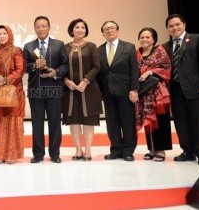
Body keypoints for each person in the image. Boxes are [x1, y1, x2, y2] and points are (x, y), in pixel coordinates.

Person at [162, 14, 199, 165]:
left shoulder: (198, 39)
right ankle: (188, 151)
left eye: (177, 24)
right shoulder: (165, 46)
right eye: (171, 26)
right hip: (175, 90)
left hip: (197, 89)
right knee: (181, 122)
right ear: (167, 29)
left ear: (184, 24)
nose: (175, 28)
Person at [23, 16, 68, 163]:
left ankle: (55, 154)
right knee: (37, 124)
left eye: (44, 26)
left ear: (49, 27)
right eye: (38, 26)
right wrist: (34, 65)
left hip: (54, 89)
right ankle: (38, 154)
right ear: (34, 28)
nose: (41, 29)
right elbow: (23, 67)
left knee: (55, 123)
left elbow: (65, 65)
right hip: (35, 91)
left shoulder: (59, 44)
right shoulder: (29, 46)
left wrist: (56, 72)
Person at [97, 20, 139, 161]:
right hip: (107, 92)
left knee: (127, 122)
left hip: (125, 91)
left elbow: (134, 70)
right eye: (106, 29)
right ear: (103, 33)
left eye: (112, 28)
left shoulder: (128, 47)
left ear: (117, 30)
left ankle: (128, 151)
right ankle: (115, 149)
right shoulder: (99, 50)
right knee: (112, 123)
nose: (109, 31)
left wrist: (134, 89)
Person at [62, 18, 102, 161]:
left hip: (89, 89)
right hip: (70, 90)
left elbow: (97, 66)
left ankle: (88, 150)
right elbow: (62, 67)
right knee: (74, 121)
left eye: (83, 27)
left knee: (88, 121)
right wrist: (66, 80)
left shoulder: (91, 46)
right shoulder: (65, 47)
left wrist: (85, 81)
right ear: (71, 30)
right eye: (77, 27)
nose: (80, 30)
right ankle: (78, 149)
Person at [0, 25, 25, 164]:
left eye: (4, 33)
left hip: (13, 91)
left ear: (10, 35)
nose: (1, 36)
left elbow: (20, 70)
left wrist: (6, 79)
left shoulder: (17, 51)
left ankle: (11, 154)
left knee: (12, 121)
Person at [135, 27, 172, 162]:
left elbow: (167, 68)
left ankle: (161, 150)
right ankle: (151, 149)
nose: (144, 40)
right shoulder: (136, 54)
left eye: (147, 37)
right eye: (142, 37)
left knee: (161, 121)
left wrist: (150, 72)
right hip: (143, 92)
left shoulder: (160, 52)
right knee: (148, 121)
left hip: (158, 93)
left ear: (153, 39)